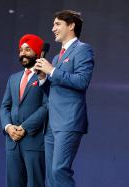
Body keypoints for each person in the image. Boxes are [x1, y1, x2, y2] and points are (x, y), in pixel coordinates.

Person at [34, 10, 94, 187]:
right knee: (52, 176)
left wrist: (52, 71)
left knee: (59, 170)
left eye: (57, 24)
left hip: (69, 120)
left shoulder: (83, 50)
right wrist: (43, 78)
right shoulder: (54, 57)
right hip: (52, 124)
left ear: (72, 25)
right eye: (53, 25)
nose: (53, 28)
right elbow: (53, 91)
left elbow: (82, 81)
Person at [0, 34, 48, 187]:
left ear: (38, 53)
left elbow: (47, 106)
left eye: (28, 49)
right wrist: (8, 127)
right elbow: (4, 107)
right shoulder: (13, 78)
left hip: (33, 141)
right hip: (12, 141)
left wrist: (24, 128)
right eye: (21, 50)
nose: (23, 54)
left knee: (35, 183)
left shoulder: (45, 76)